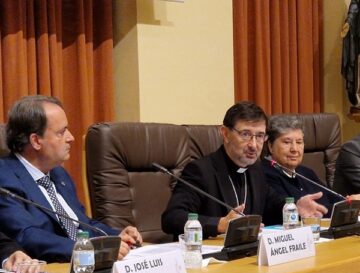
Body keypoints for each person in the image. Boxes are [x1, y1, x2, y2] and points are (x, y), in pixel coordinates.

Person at [0, 95, 142, 262]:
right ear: (36, 141)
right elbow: (27, 234)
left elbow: (82, 223)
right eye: (61, 132)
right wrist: (85, 250)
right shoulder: (5, 176)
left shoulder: (58, 174)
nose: (71, 137)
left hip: (84, 267)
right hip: (47, 272)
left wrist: (114, 236)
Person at [162, 101, 327, 239]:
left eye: (260, 136)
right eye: (246, 135)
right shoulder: (201, 171)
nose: (254, 145)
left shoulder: (254, 169)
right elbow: (172, 218)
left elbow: (273, 205)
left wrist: (295, 209)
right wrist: (219, 224)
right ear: (225, 134)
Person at [262, 116, 342, 212]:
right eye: (287, 142)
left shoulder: (307, 173)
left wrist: (351, 202)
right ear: (270, 146)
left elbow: (335, 200)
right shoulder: (264, 173)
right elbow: (286, 212)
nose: (294, 149)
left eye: (299, 142)